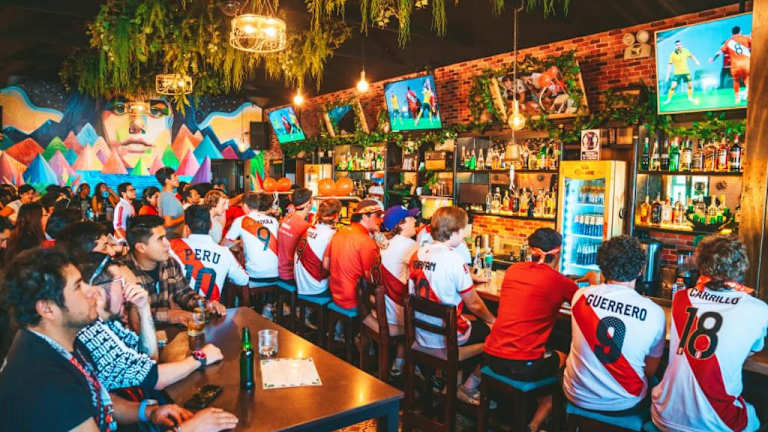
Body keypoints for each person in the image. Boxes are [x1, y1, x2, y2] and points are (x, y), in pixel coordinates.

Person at [0, 248, 239, 432]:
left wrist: (148, 411)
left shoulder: (56, 341)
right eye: (78, 287)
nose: (92, 291)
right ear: (47, 309)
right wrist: (189, 429)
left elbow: (99, 399)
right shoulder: (46, 381)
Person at [651, 235, 768, 432]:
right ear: (741, 267)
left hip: (664, 414)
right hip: (717, 423)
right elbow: (752, 350)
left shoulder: (681, 298)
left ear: (701, 264)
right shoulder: (758, 309)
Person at [75, 252, 225, 393]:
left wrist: (144, 307)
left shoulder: (108, 323)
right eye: (121, 283)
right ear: (98, 293)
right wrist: (200, 358)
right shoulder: (89, 332)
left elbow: (149, 358)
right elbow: (153, 378)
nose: (127, 291)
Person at [482, 228, 585, 428]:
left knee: (552, 344)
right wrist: (592, 281)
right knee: (566, 357)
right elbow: (585, 306)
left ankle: (531, 404)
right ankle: (536, 421)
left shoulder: (513, 270)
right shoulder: (560, 282)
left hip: (491, 358)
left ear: (531, 250)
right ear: (558, 253)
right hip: (521, 366)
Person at [563, 236, 665, 415]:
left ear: (602, 267)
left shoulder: (580, 296)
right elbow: (650, 370)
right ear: (640, 270)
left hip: (575, 394)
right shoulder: (654, 313)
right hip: (623, 404)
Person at [409, 206, 496, 405]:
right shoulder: (453, 259)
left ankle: (449, 383)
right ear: (454, 232)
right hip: (446, 337)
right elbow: (474, 303)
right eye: (464, 230)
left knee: (471, 322)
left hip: (421, 332)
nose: (465, 235)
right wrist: (493, 321)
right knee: (495, 333)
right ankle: (466, 388)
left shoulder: (417, 254)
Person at [125, 215, 225, 324]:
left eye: (165, 237)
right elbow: (127, 316)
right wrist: (168, 315)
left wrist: (206, 305)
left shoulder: (169, 262)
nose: (167, 243)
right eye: (160, 239)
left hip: (171, 332)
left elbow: (184, 293)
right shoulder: (122, 272)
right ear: (141, 247)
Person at [170, 205, 249, 302]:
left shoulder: (173, 247)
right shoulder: (224, 252)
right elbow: (243, 280)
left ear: (186, 228)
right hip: (212, 308)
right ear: (211, 225)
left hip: (180, 308)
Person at [380, 205, 420, 376]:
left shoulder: (384, 241)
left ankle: (400, 360)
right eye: (411, 218)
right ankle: (404, 362)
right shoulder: (410, 246)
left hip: (381, 308)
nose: (415, 221)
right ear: (401, 224)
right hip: (395, 312)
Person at [325, 199, 384, 311]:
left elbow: (325, 265)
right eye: (378, 215)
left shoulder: (339, 232)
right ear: (365, 217)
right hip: (353, 299)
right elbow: (373, 279)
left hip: (335, 294)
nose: (381, 220)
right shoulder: (366, 241)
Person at [225, 192, 280, 284]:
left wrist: (237, 243)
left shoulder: (241, 221)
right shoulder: (274, 221)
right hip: (275, 274)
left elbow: (224, 245)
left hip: (254, 275)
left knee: (231, 277)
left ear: (245, 206)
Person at [294, 199, 341, 296]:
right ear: (336, 217)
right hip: (315, 287)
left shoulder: (310, 229)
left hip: (300, 282)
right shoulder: (331, 235)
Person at [278, 188, 313, 284]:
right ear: (309, 203)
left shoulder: (286, 219)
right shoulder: (305, 227)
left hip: (280, 270)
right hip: (291, 275)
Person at [709, 25, 751, 104]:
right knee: (747, 80)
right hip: (746, 64)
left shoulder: (728, 42)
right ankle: (748, 95)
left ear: (731, 33)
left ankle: (737, 98)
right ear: (740, 31)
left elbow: (719, 52)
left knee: (736, 81)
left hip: (735, 66)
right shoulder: (746, 38)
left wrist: (713, 59)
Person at [664, 40, 701, 105]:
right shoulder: (672, 54)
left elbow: (691, 56)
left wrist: (696, 61)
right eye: (677, 45)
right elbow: (669, 65)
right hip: (677, 73)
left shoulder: (686, 51)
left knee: (690, 85)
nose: (678, 46)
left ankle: (690, 98)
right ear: (675, 46)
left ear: (681, 45)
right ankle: (668, 99)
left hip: (686, 72)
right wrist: (667, 75)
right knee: (673, 86)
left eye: (679, 45)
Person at [156, 167, 185, 239]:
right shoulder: (167, 197)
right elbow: (168, 223)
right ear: (167, 181)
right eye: (175, 176)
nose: (178, 178)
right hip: (172, 237)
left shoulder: (165, 195)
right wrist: (185, 216)